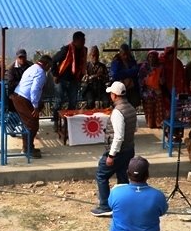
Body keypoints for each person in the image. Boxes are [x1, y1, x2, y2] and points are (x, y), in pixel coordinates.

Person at [92, 81, 137, 217]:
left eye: (111, 93)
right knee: (123, 177)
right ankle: (124, 205)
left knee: (101, 175)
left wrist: (111, 155)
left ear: (115, 95)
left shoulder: (117, 112)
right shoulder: (131, 108)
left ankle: (105, 206)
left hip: (118, 151)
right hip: (129, 149)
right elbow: (133, 129)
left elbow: (118, 136)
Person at [12, 54, 52, 157]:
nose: (49, 69)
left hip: (18, 96)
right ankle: (27, 149)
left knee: (29, 122)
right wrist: (35, 106)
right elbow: (35, 90)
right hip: (23, 98)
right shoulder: (41, 73)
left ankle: (28, 147)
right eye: (49, 66)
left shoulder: (33, 67)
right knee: (32, 123)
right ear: (47, 65)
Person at [51, 31, 88, 122]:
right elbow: (53, 60)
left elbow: (82, 64)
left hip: (74, 80)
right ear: (76, 40)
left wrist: (81, 76)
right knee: (59, 101)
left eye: (84, 40)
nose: (84, 42)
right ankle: (56, 121)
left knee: (73, 101)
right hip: (61, 79)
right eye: (82, 40)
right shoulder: (66, 50)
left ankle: (70, 121)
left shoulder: (84, 50)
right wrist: (55, 75)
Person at [138, 51, 164, 129]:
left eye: (154, 57)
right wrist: (147, 81)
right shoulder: (144, 67)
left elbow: (163, 80)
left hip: (157, 89)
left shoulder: (160, 67)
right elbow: (140, 80)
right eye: (150, 57)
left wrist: (161, 81)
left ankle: (158, 123)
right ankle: (150, 123)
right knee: (148, 101)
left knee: (159, 100)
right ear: (148, 58)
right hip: (147, 90)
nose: (152, 59)